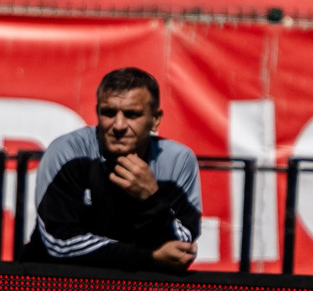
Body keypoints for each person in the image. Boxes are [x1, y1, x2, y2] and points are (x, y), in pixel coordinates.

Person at [32, 68, 202, 269]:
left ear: (155, 120)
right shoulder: (68, 152)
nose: (119, 125)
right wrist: (148, 258)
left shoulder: (178, 160)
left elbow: (182, 248)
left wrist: (150, 199)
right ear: (97, 113)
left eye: (132, 114)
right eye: (109, 112)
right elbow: (58, 242)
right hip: (58, 288)